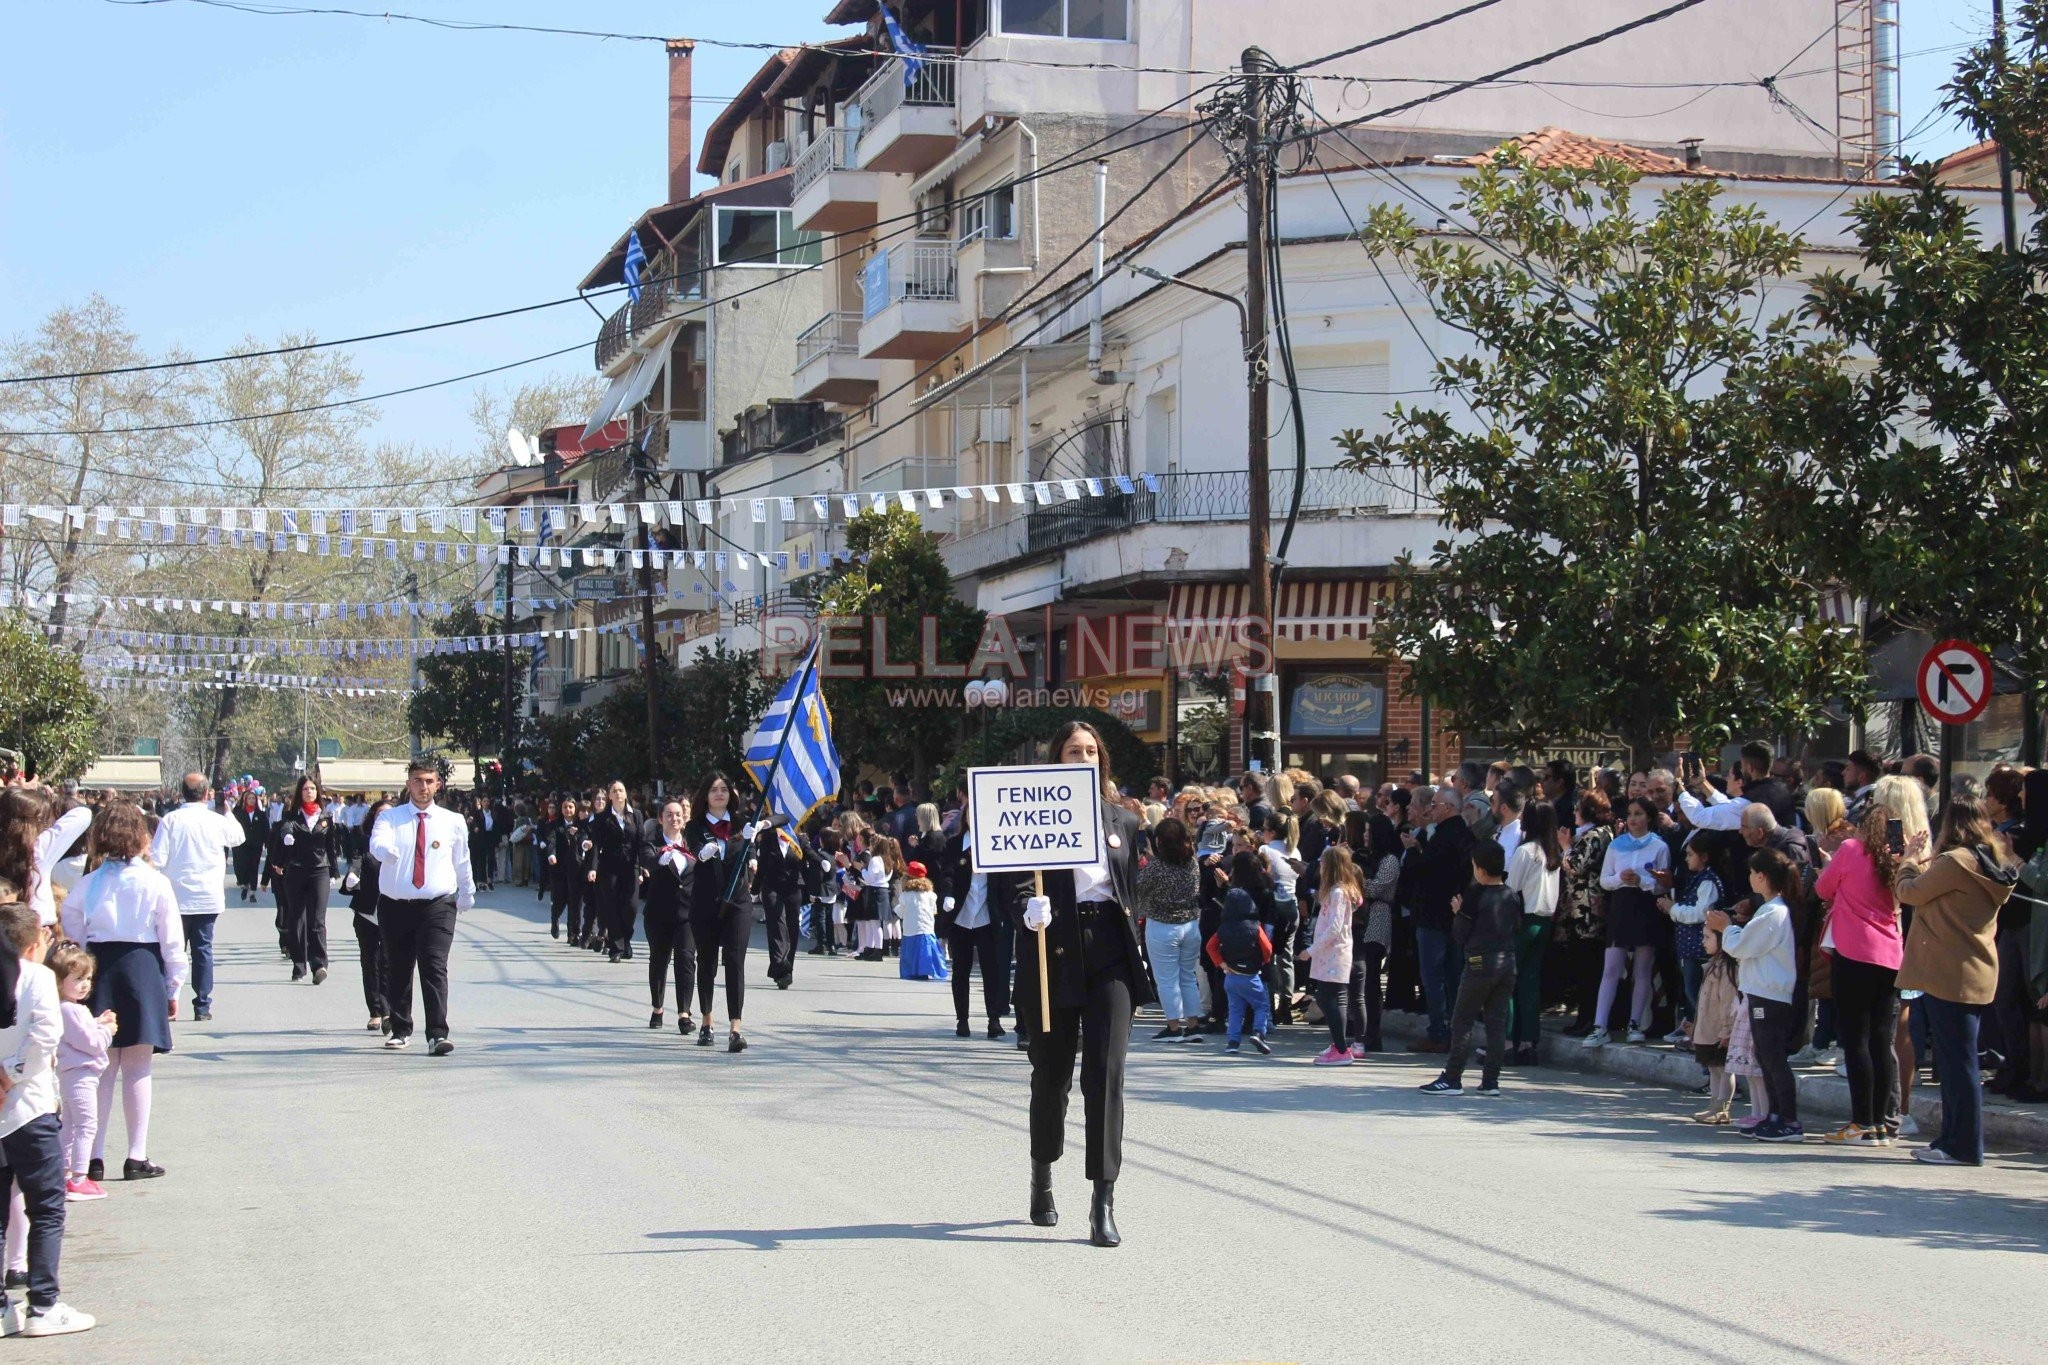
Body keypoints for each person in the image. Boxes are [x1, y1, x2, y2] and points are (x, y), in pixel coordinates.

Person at [1010, 720, 1149, 1249]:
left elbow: (1130, 887)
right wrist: (1029, 907)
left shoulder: (1124, 821)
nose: (1084, 758)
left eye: (1091, 751)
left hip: (1110, 950)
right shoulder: (1031, 814)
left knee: (1106, 1076)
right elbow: (1013, 881)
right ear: (1057, 758)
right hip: (1054, 950)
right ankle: (1042, 1171)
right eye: (1073, 750)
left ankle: (1102, 1200)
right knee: (1052, 1075)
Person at [61, 803, 185, 1183]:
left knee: (101, 1065)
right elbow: (172, 939)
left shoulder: (91, 882)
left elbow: (71, 922)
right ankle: (136, 1155)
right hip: (142, 966)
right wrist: (173, 985)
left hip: (100, 967)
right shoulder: (154, 881)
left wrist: (83, 963)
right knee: (138, 1066)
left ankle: (93, 1155)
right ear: (141, 837)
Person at [1894, 797, 2017, 1166]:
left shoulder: (1955, 862)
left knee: (1959, 1065)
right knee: (1955, 1063)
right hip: (1973, 970)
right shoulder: (1990, 862)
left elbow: (1909, 892)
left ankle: (1963, 1147)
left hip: (1948, 974)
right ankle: (1950, 1139)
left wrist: (1910, 859)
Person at [0, 903, 94, 1336]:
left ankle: (3, 1307)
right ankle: (43, 1303)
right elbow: (44, 1036)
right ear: (35, 944)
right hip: (29, 1107)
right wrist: (7, 1076)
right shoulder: (35, 976)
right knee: (47, 1207)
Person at [1811, 782, 1910, 1145]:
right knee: (1882, 1041)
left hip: (1853, 953)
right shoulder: (1895, 859)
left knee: (1855, 1040)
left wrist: (1830, 866)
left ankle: (1861, 1121)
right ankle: (1882, 1125)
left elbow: (1822, 889)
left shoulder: (1852, 850)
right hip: (1890, 955)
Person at [367, 758, 475, 1056]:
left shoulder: (452, 821)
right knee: (399, 966)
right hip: (395, 904)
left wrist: (466, 893)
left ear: (438, 784)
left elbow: (462, 861)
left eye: (429, 781)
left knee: (433, 965)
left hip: (438, 904)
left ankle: (438, 1034)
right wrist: (384, 851)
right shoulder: (391, 819)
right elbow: (377, 841)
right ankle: (401, 1029)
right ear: (408, 784)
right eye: (417, 780)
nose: (423, 787)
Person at [1709, 849, 1804, 1142]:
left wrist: (1726, 928)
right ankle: (1773, 1115)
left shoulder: (1774, 912)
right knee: (1764, 1057)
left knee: (1773, 1058)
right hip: (1761, 992)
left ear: (1761, 877)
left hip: (1770, 996)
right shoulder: (1767, 911)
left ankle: (1787, 1119)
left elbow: (1743, 947)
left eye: (1752, 873)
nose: (1749, 877)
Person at [1419, 839, 1522, 1097]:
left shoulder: (1476, 894)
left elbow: (1461, 934)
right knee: (1496, 1024)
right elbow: (1516, 927)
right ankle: (1491, 1081)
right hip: (1507, 962)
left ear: (1481, 870)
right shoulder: (1511, 894)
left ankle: (1452, 1078)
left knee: (1462, 1021)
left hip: (1479, 962)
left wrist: (1458, 912)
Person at [147, 772, 245, 1022]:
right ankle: (202, 1005)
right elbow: (238, 837)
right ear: (206, 794)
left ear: (181, 793)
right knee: (203, 950)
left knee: (172, 950)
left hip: (175, 896)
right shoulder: (215, 820)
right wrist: (227, 810)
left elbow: (157, 858)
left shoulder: (170, 820)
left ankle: (170, 999)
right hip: (206, 896)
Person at [1586, 797, 1672, 1048]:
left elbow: (1662, 885)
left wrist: (1642, 882)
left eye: (1639, 814)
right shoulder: (1616, 845)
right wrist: (1621, 879)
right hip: (1621, 905)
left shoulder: (1659, 846)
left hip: (1646, 907)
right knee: (1611, 967)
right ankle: (1600, 1025)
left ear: (1649, 817)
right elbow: (1605, 880)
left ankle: (1636, 1023)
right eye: (1631, 814)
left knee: (1643, 968)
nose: (1634, 819)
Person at [682, 773, 754, 1053]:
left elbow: (779, 821)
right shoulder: (695, 826)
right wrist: (703, 852)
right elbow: (696, 848)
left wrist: (757, 830)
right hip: (705, 901)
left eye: (724, 789)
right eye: (714, 789)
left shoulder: (742, 824)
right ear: (705, 795)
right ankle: (707, 1021)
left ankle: (736, 1028)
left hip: (737, 901)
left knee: (735, 961)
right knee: (708, 962)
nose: (720, 794)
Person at [1409, 785, 1475, 1052]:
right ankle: (1453, 1032)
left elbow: (1426, 872)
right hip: (1451, 916)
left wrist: (1414, 851)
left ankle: (1439, 1032)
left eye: (1435, 805)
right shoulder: (1461, 835)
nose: (1430, 810)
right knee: (1451, 977)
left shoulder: (1448, 836)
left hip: (1436, 917)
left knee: (1435, 976)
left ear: (1448, 808)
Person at [48, 946, 111, 1200]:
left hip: (71, 1073)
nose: (85, 985)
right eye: (78, 979)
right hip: (81, 1074)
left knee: (71, 1125)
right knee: (86, 1125)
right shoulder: (71, 1010)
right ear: (60, 982)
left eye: (88, 979)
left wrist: (98, 1022)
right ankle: (78, 1178)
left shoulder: (68, 1008)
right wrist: (108, 1031)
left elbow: (81, 1032)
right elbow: (91, 1042)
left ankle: (64, 1174)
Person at [269, 776, 343, 985]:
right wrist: (286, 839)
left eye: (312, 789)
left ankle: (319, 964)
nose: (309, 792)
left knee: (317, 920)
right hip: (296, 871)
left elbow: (331, 848)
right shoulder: (293, 815)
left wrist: (334, 874)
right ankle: (299, 963)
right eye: (305, 789)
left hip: (320, 870)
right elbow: (286, 829)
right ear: (299, 793)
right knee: (297, 919)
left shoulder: (326, 817)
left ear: (317, 792)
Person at [1134, 817, 1203, 1043]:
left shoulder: (1156, 867)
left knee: (1166, 980)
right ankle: (1193, 1025)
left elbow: (1138, 889)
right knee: (1188, 977)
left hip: (1163, 926)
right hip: (1191, 925)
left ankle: (1174, 1027)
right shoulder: (1192, 862)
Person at [638, 799, 698, 1035]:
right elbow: (647, 861)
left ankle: (684, 1013)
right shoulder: (651, 844)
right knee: (659, 961)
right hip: (659, 913)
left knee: (686, 961)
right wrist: (658, 861)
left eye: (679, 814)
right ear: (661, 819)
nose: (675, 818)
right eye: (669, 815)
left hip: (687, 914)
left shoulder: (692, 844)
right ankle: (658, 1007)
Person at [1303, 844, 1365, 1066]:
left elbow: (1335, 927)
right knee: (1324, 997)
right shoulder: (1334, 891)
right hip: (1327, 953)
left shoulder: (1339, 892)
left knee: (1333, 998)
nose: (1320, 865)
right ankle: (1338, 1044)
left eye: (1323, 862)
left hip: (1334, 952)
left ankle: (1341, 1049)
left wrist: (1311, 950)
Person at [1350, 814, 1400, 1056]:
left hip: (1379, 917)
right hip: (1361, 919)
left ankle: (1373, 1034)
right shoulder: (1366, 857)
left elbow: (1377, 887)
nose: (1365, 834)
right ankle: (1361, 1029)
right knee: (1360, 978)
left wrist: (1355, 879)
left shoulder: (1390, 860)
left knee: (1371, 980)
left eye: (1370, 830)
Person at [347, 800, 392, 1034]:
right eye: (380, 814)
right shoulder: (364, 842)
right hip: (366, 909)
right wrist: (352, 874)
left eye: (389, 814)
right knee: (370, 960)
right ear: (373, 817)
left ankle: (388, 1010)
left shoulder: (400, 841)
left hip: (393, 910)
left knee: (388, 961)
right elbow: (355, 860)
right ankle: (375, 1011)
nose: (384, 818)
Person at [588, 782, 642, 963]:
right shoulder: (602, 818)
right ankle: (616, 947)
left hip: (631, 866)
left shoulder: (636, 815)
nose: (618, 793)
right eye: (614, 791)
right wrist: (593, 868)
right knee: (612, 906)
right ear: (609, 796)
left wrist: (644, 867)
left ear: (626, 794)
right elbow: (596, 845)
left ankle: (626, 938)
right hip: (609, 868)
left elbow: (641, 842)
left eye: (621, 790)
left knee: (631, 907)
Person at [754, 813, 806, 991]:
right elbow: (761, 867)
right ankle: (779, 965)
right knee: (777, 925)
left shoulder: (797, 840)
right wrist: (754, 889)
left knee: (791, 928)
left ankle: (787, 969)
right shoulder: (768, 840)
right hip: (772, 888)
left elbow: (809, 858)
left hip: (793, 889)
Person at [896, 863, 948, 981]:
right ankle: (934, 971)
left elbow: (901, 912)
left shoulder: (905, 895)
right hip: (927, 928)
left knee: (911, 952)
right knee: (929, 951)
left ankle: (911, 972)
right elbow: (934, 910)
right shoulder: (931, 895)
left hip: (910, 929)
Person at [546, 796, 587, 942]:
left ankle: (574, 933)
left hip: (576, 869)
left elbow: (585, 839)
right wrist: (551, 854)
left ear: (575, 809)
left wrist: (578, 836)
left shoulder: (581, 824)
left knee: (575, 902)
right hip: (560, 869)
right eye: (565, 807)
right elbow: (551, 841)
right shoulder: (555, 825)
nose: (568, 810)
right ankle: (555, 919)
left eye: (571, 807)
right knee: (560, 899)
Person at [231, 790, 268, 902]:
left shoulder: (261, 814)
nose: (251, 800)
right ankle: (245, 885)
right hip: (243, 845)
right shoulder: (239, 813)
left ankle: (252, 891)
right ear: (245, 800)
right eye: (249, 798)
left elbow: (266, 829)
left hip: (256, 845)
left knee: (254, 867)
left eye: (253, 798)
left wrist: (266, 842)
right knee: (244, 866)